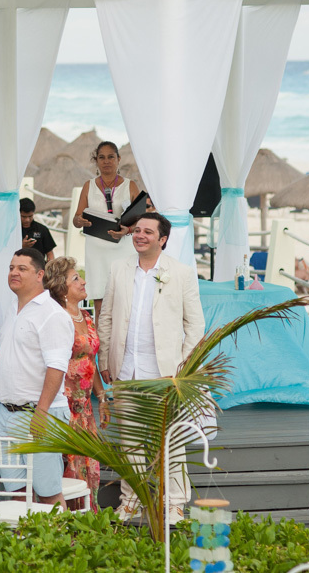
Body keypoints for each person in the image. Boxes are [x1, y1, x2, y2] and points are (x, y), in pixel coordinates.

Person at [98, 213, 205, 523]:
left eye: (148, 232)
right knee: (129, 441)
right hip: (126, 370)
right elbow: (106, 318)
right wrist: (105, 359)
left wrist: (182, 368)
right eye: (138, 230)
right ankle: (130, 501)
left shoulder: (181, 273)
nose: (140, 235)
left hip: (165, 373)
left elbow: (194, 323)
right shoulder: (119, 269)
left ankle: (174, 503)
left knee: (171, 440)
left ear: (162, 239)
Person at [0, 248, 74, 508]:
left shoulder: (52, 314)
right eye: (11, 267)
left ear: (40, 274)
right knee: (14, 493)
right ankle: (23, 547)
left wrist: (42, 412)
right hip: (5, 413)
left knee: (48, 492)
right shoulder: (12, 309)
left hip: (37, 414)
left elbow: (57, 367)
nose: (14, 273)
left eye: (22, 268)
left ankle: (61, 547)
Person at [44, 256, 107, 509]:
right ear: (61, 287)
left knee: (87, 465)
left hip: (85, 408)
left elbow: (90, 361)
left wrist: (102, 398)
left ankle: (87, 520)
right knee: (66, 465)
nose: (83, 282)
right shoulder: (55, 318)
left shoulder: (85, 316)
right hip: (63, 404)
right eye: (76, 278)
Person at [73, 141, 142, 309]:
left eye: (111, 157)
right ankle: (101, 335)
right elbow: (76, 219)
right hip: (97, 250)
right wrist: (79, 220)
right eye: (101, 157)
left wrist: (129, 230)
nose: (106, 161)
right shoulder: (88, 186)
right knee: (99, 300)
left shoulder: (130, 185)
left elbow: (143, 218)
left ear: (118, 159)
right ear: (96, 161)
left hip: (123, 246)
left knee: (125, 299)